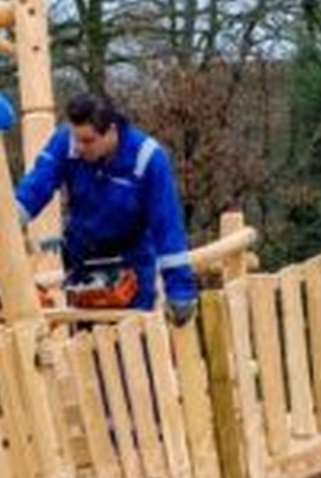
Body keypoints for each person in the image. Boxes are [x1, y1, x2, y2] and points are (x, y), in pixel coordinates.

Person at [12, 92, 199, 324]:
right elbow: (38, 183)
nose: (79, 147)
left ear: (111, 131)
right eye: (76, 139)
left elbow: (167, 226)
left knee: (132, 345)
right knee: (86, 347)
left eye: (88, 141)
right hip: (82, 261)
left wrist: (180, 292)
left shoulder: (148, 159)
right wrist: (4, 222)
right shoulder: (66, 140)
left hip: (131, 264)